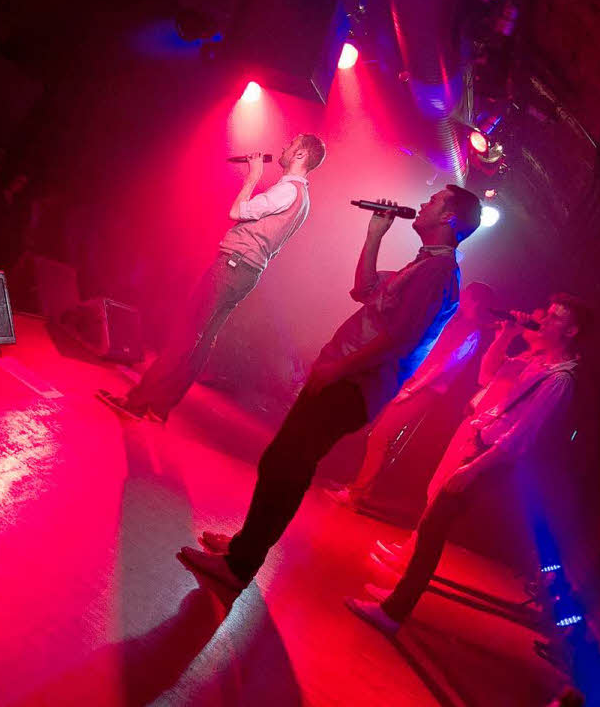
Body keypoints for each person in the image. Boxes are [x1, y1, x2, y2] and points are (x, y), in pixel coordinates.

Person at [178, 185, 483, 590]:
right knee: (282, 462)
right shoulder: (424, 264)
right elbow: (364, 291)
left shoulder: (439, 272)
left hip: (353, 384)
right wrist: (375, 234)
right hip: (345, 377)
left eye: (435, 201)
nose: (423, 203)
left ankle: (240, 564)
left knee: (287, 464)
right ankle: (243, 547)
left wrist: (340, 368)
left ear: (450, 218)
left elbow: (400, 338)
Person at [345, 293, 590, 638]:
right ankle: (398, 598)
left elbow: (520, 437)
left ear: (572, 330)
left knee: (433, 527)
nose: (545, 321)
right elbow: (488, 374)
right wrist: (506, 334)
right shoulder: (538, 361)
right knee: (432, 523)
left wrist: (473, 468)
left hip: (488, 458)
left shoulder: (559, 380)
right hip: (478, 445)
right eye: (546, 314)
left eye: (555, 318)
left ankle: (394, 611)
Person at [97, 134, 326, 422]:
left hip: (234, 265)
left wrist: (253, 177)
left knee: (187, 333)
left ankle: (138, 402)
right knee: (202, 339)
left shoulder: (288, 191)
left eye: (291, 145)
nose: (283, 147)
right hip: (246, 271)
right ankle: (160, 406)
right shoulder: (302, 198)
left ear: (301, 156)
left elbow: (237, 211)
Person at [325, 281, 499, 510]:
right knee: (375, 431)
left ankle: (358, 494)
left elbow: (445, 365)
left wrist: (412, 388)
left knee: (381, 435)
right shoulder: (457, 321)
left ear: (475, 300)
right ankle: (360, 488)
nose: (462, 295)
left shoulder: (471, 331)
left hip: (424, 389)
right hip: (413, 381)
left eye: (466, 293)